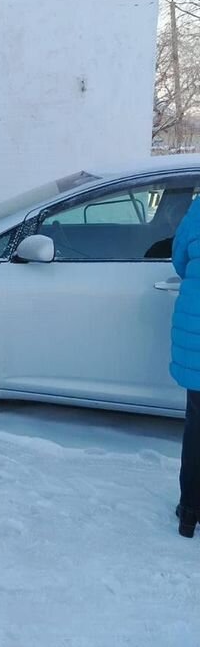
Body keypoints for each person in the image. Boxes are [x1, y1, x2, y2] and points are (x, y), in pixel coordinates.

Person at [170, 195, 200, 538]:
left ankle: (190, 511)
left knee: (197, 427)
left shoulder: (197, 211)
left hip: (197, 331)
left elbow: (180, 260)